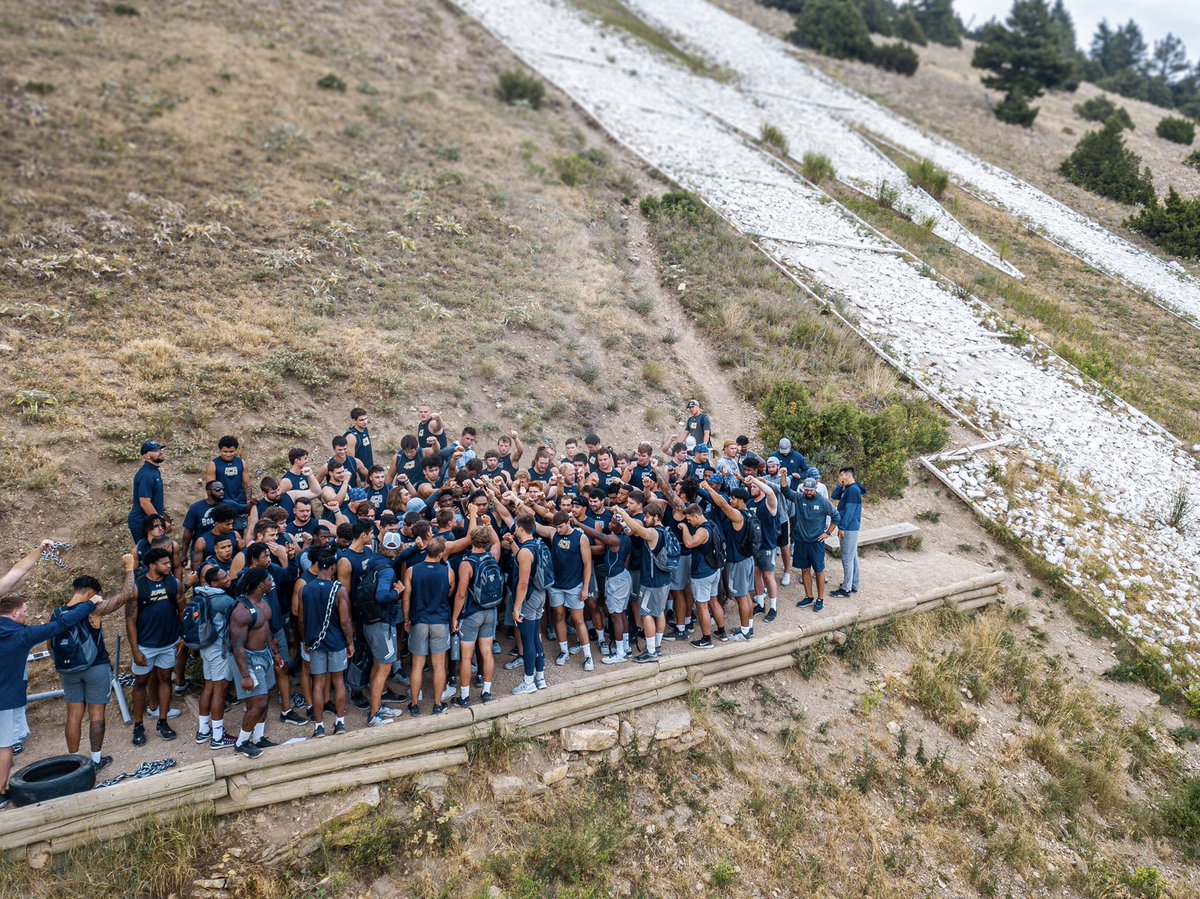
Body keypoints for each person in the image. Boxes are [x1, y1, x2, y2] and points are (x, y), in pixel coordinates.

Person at [1, 593, 98, 807]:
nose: (27, 615)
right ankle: (1, 791)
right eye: (25, 611)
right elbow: (60, 624)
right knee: (4, 746)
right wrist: (90, 604)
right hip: (4, 701)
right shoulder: (21, 635)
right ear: (15, 613)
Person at [49, 558, 136, 772]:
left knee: (73, 714)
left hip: (69, 670)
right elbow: (126, 595)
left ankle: (74, 762)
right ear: (90, 593)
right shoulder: (92, 609)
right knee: (97, 713)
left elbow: (50, 645)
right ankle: (96, 760)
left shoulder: (57, 614)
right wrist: (129, 567)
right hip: (95, 666)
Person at [125, 547, 183, 745]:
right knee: (141, 682)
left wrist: (183, 636)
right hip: (146, 645)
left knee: (166, 679)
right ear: (152, 565)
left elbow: (182, 610)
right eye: (165, 563)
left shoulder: (174, 583)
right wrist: (135, 649)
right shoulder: (137, 586)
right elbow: (130, 619)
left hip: (169, 643)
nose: (169, 566)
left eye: (169, 563)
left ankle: (163, 721)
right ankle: (138, 725)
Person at [229, 568, 286, 758]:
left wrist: (275, 653)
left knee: (266, 698)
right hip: (249, 659)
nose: (272, 582)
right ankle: (241, 742)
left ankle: (258, 738)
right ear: (261, 584)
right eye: (270, 580)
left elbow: (266, 630)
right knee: (258, 702)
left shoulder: (264, 602)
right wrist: (245, 675)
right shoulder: (241, 611)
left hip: (265, 655)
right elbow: (237, 646)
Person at [300, 552, 355, 737]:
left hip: (315, 642)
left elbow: (301, 619)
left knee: (318, 682)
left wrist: (304, 640)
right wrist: (350, 642)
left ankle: (318, 726)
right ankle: (340, 722)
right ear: (332, 568)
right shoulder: (339, 589)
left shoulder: (306, 588)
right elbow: (345, 621)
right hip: (336, 641)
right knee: (338, 680)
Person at [612, 501, 669, 663]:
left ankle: (651, 652)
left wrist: (622, 512)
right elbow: (633, 531)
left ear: (656, 517)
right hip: (664, 578)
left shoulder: (652, 533)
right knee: (659, 612)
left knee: (647, 614)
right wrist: (623, 520)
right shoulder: (664, 530)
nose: (644, 519)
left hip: (651, 580)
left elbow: (637, 529)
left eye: (647, 516)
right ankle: (657, 646)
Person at [450, 526, 501, 707]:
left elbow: (461, 594)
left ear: (471, 540)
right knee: (487, 652)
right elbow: (497, 542)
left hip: (472, 612)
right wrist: (488, 525)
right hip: (490, 610)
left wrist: (455, 617)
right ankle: (486, 691)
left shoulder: (467, 563)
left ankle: (464, 696)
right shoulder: (493, 556)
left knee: (466, 656)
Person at [537, 511, 594, 671]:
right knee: (559, 616)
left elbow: (588, 564)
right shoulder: (553, 533)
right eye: (556, 527)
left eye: (561, 527)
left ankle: (588, 655)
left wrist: (585, 587)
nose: (559, 530)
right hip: (556, 585)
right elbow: (534, 525)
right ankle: (563, 651)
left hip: (574, 585)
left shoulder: (580, 538)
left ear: (568, 522)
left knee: (578, 620)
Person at [403, 537, 454, 716]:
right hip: (439, 620)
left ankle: (415, 704)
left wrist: (406, 619)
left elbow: (406, 598)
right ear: (440, 554)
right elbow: (449, 592)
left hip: (419, 620)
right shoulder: (447, 572)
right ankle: (438, 704)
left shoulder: (412, 571)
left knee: (417, 664)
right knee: (439, 665)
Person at [701, 480, 754, 641]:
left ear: (741, 500)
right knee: (747, 596)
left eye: (733, 498)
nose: (731, 500)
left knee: (741, 597)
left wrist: (708, 488)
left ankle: (744, 633)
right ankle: (748, 627)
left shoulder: (738, 515)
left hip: (738, 561)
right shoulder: (749, 513)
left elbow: (723, 505)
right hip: (748, 559)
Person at [192, 565, 238, 749]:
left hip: (205, 648)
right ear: (214, 583)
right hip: (219, 650)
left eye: (226, 575)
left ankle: (204, 731)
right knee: (220, 690)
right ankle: (218, 737)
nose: (227, 578)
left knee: (209, 687)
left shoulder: (201, 594)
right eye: (223, 578)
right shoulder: (221, 600)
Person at [784, 477, 840, 612]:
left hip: (816, 542)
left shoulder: (823, 502)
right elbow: (785, 491)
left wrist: (828, 533)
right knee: (804, 569)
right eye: (806, 490)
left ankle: (820, 599)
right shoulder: (799, 498)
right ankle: (809, 597)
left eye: (811, 490)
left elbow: (836, 516)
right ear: (803, 489)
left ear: (816, 488)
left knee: (819, 571)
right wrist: (784, 475)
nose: (808, 493)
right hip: (801, 541)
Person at [507, 514, 547, 694]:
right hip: (540, 594)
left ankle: (528, 681)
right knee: (536, 637)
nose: (514, 529)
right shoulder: (537, 544)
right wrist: (513, 543)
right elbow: (524, 556)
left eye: (516, 527)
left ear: (521, 528)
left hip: (529, 597)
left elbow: (523, 582)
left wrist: (516, 607)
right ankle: (540, 677)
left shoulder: (525, 552)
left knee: (527, 640)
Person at [679, 503, 726, 647]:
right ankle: (721, 632)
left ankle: (706, 639)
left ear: (696, 516)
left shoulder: (702, 531)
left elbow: (689, 543)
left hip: (702, 573)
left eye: (689, 519)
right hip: (713, 570)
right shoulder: (711, 524)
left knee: (702, 605)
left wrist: (685, 528)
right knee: (714, 601)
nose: (689, 522)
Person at [831, 468, 864, 597]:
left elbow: (850, 511)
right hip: (851, 527)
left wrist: (842, 527)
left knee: (847, 558)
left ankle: (846, 589)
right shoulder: (850, 489)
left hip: (849, 528)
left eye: (841, 475)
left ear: (847, 476)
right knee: (853, 556)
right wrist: (840, 485)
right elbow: (834, 496)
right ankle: (853, 584)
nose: (839, 477)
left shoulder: (852, 490)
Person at [128, 440, 166, 544]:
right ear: (147, 456)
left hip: (150, 521)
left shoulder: (154, 471)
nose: (160, 452)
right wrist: (160, 523)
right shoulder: (147, 475)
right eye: (156, 450)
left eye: (160, 449)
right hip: (142, 522)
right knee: (149, 555)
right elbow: (145, 502)